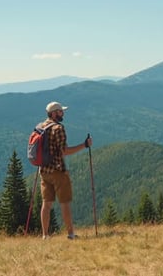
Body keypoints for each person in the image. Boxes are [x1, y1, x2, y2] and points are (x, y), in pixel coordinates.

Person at [40, 101, 92, 240]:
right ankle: (70, 234)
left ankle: (45, 235)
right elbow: (65, 151)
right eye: (61, 111)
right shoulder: (58, 128)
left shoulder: (40, 126)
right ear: (54, 113)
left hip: (44, 171)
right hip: (58, 171)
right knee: (65, 202)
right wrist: (84, 145)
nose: (63, 113)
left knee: (47, 203)